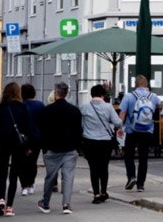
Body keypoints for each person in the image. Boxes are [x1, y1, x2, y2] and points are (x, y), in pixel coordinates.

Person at [35, 82, 82, 214]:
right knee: (68, 177)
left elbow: (42, 132)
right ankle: (66, 204)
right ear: (66, 94)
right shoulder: (74, 110)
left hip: (52, 149)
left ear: (55, 93)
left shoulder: (46, 111)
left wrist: (44, 148)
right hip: (70, 149)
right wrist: (77, 148)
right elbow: (78, 131)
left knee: (50, 177)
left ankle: (45, 203)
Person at [0, 82, 33, 217]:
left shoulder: (0, 108)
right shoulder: (22, 107)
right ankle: (9, 207)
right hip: (18, 145)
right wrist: (28, 146)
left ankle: (1, 198)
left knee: (2, 174)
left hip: (3, 143)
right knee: (14, 175)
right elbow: (28, 128)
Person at [117, 74, 161, 192]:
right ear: (146, 85)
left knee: (129, 155)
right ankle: (141, 184)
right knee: (143, 157)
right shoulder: (153, 96)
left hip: (131, 130)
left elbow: (122, 113)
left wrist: (119, 127)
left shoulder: (129, 96)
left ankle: (131, 176)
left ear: (135, 85)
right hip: (147, 130)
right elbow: (158, 106)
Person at [80, 84, 121, 205]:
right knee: (104, 167)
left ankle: (96, 194)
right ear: (102, 95)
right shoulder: (108, 107)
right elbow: (117, 122)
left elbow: (81, 125)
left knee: (93, 168)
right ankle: (103, 192)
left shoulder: (84, 107)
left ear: (91, 95)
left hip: (89, 141)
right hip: (105, 142)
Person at [18, 83, 46, 195]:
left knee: (22, 163)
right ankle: (31, 183)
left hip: (22, 139)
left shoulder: (20, 105)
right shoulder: (40, 105)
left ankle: (24, 185)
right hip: (37, 139)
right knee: (32, 162)